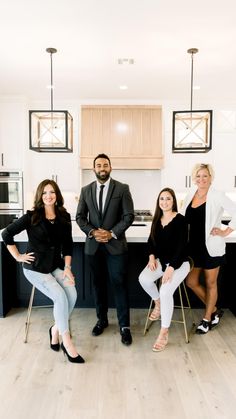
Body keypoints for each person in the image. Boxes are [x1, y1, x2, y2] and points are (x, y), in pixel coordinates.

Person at [1, 179, 85, 363]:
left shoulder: (64, 217)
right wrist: (18, 256)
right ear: (40, 196)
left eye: (52, 192)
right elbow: (6, 233)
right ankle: (67, 341)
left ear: (57, 195)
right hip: (35, 268)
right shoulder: (32, 216)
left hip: (55, 266)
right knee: (60, 297)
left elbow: (68, 245)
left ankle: (55, 329)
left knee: (72, 293)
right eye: (45, 192)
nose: (49, 196)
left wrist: (68, 268)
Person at [76, 153, 134, 345]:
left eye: (105, 165)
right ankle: (102, 320)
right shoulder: (85, 190)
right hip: (93, 247)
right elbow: (80, 217)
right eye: (99, 165)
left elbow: (128, 216)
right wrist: (92, 232)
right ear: (94, 169)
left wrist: (111, 233)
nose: (102, 168)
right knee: (98, 285)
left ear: (110, 167)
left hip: (115, 245)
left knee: (119, 284)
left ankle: (124, 326)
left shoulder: (122, 188)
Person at [181, 163, 236, 334]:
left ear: (211, 178)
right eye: (198, 176)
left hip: (211, 247)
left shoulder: (218, 195)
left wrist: (226, 231)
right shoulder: (190, 194)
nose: (201, 179)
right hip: (192, 248)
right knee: (191, 281)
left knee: (211, 283)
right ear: (193, 178)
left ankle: (207, 319)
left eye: (205, 175)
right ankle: (214, 310)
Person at [139, 187, 190, 352]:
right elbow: (151, 241)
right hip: (162, 262)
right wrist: (151, 256)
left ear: (173, 201)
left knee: (166, 290)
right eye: (162, 199)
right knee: (144, 279)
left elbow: (182, 248)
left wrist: (171, 268)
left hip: (181, 263)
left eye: (168, 198)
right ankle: (158, 303)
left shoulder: (181, 220)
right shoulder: (157, 219)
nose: (165, 202)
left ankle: (164, 331)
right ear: (158, 202)